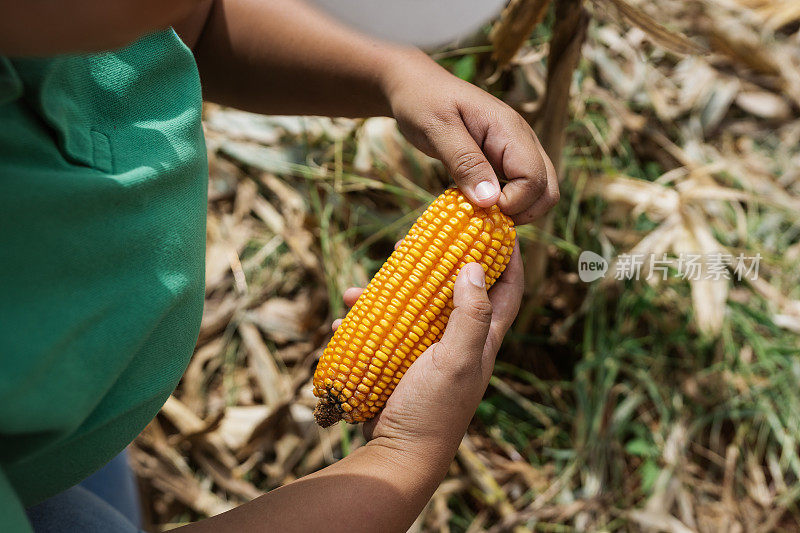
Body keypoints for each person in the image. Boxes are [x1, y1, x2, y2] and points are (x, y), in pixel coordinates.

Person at [0, 0, 558, 531]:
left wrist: (396, 70)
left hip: (72, 418)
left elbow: (199, 17)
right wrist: (406, 454)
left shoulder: (62, 19)